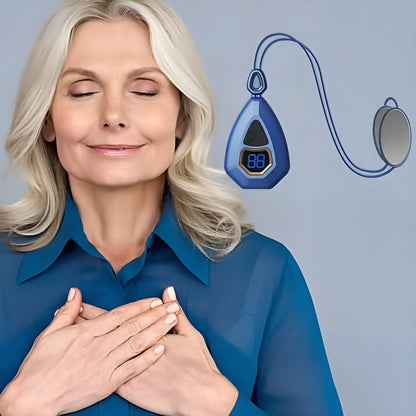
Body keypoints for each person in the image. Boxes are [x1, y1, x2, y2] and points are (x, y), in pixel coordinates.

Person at [0, 0, 344, 415]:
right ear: (48, 118)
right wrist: (22, 405)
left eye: (144, 90)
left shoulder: (264, 272)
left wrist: (215, 405)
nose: (113, 115)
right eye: (83, 91)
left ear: (182, 117)